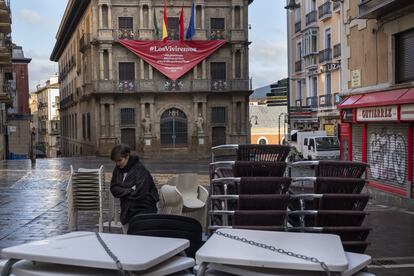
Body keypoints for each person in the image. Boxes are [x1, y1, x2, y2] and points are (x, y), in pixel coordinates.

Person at [110, 144, 159, 233]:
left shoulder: (139, 169)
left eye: (120, 160)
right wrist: (130, 189)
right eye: (115, 161)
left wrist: (121, 190)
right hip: (126, 211)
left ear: (127, 156)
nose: (117, 163)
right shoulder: (117, 170)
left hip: (143, 211)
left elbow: (140, 193)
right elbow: (113, 189)